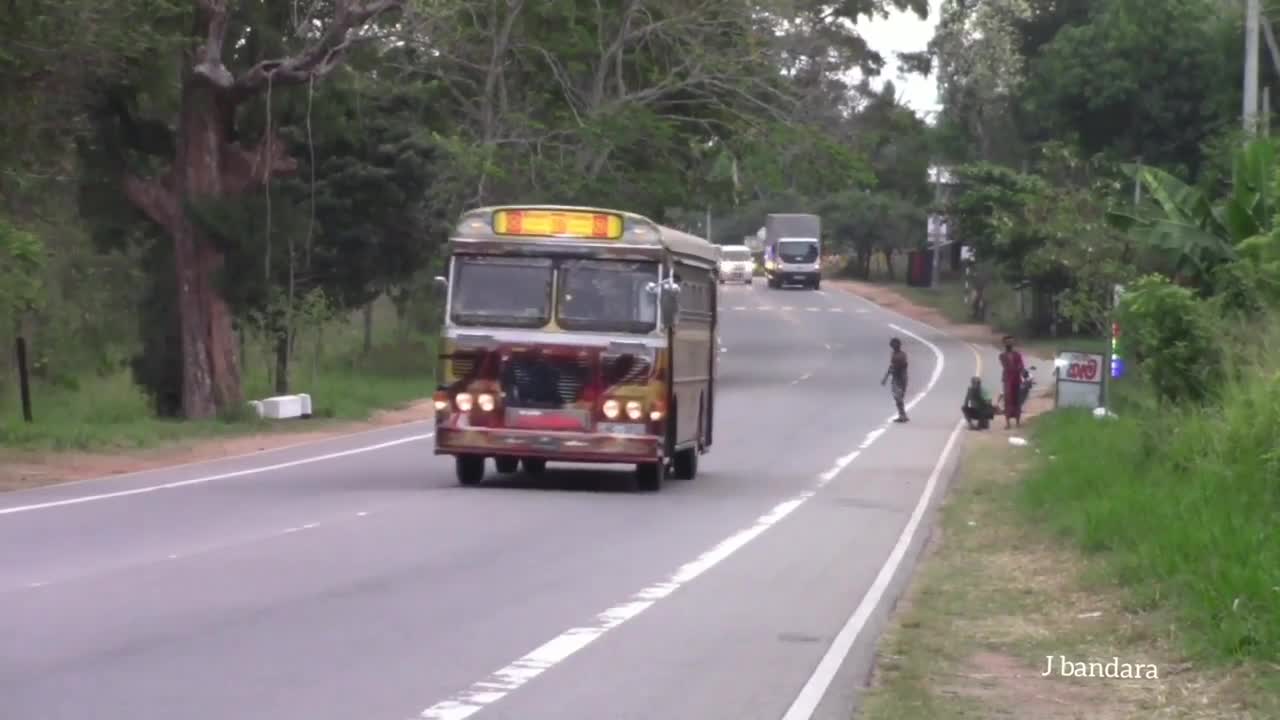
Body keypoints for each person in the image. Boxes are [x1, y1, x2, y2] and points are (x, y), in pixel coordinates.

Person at [999, 335, 1025, 429]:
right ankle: (1008, 423)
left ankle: (1018, 422)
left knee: (1017, 400)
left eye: (1011, 342)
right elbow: (1006, 366)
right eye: (1007, 342)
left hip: (1016, 380)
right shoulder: (1002, 356)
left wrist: (1021, 370)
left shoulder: (1017, 355)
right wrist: (1018, 369)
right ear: (1004, 344)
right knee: (1008, 401)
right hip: (1007, 381)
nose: (1009, 344)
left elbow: (1021, 365)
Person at [881, 337, 909, 423]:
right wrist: (886, 377)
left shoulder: (902, 355)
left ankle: (902, 415)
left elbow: (901, 366)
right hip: (896, 379)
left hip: (901, 378)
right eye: (893, 345)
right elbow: (892, 366)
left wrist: (887, 376)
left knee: (899, 398)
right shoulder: (893, 354)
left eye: (895, 344)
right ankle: (902, 415)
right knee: (898, 398)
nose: (894, 346)